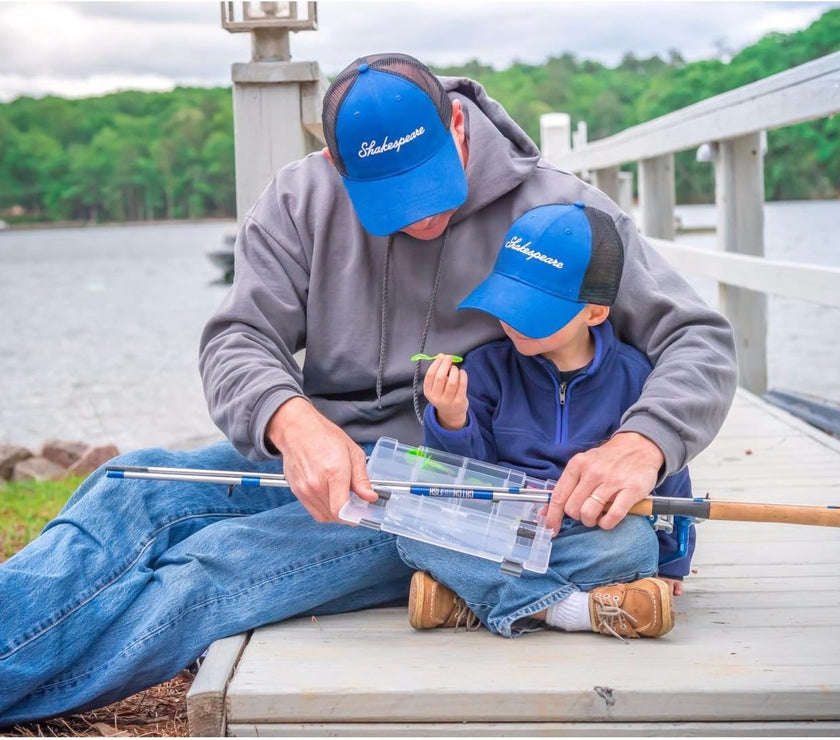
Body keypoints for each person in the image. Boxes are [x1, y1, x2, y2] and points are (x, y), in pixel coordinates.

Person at [0, 52, 736, 724]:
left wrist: (643, 443)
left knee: (207, 573)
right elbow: (237, 340)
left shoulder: (560, 215)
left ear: (456, 121)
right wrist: (292, 422)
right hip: (322, 461)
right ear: (334, 161)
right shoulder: (297, 198)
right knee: (129, 484)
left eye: (433, 187)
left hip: (447, 494)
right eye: (394, 200)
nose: (423, 217)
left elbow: (696, 338)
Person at [400, 202, 695, 640]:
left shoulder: (634, 378)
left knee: (635, 545)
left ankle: (469, 599)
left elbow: (668, 478)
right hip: (498, 526)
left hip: (587, 532)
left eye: (535, 311)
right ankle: (571, 609)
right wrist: (452, 415)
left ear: (594, 313)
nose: (513, 320)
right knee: (411, 534)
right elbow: (463, 478)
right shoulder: (489, 368)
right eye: (508, 301)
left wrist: (671, 564)